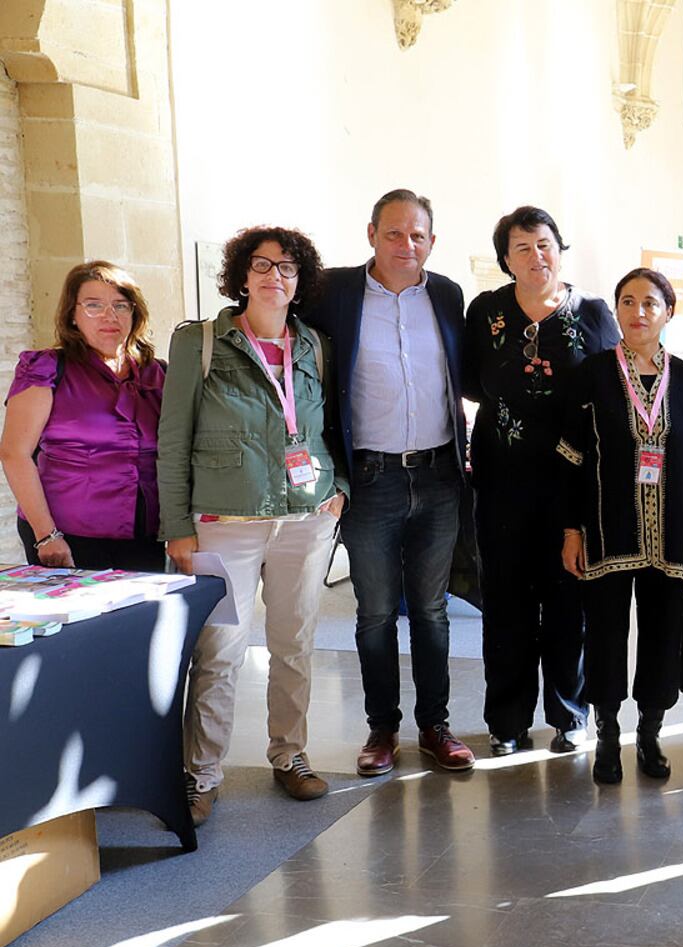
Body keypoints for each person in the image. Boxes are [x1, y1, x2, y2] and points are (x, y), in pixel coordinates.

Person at [158, 227, 348, 825]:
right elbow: (173, 439)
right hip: (224, 522)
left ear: (300, 282)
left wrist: (336, 488)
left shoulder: (314, 345)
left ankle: (289, 755)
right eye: (262, 266)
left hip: (306, 519)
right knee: (219, 651)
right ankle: (201, 774)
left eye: (287, 268)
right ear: (241, 276)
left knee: (294, 645)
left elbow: (327, 425)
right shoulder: (202, 342)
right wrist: (177, 525)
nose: (274, 277)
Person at [299, 190, 474, 777]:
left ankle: (435, 726)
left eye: (417, 235)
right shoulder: (334, 293)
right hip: (371, 478)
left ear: (432, 241)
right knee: (374, 612)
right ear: (371, 233)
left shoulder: (448, 295)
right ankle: (381, 730)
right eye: (394, 233)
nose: (406, 245)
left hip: (439, 475)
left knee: (431, 610)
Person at [465, 206, 620, 757]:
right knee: (504, 603)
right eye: (522, 247)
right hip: (501, 481)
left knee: (567, 602)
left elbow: (614, 392)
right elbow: (468, 380)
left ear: (561, 248)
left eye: (544, 244)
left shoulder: (596, 314)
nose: (535, 256)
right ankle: (506, 720)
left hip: (571, 485)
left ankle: (570, 714)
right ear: (505, 257)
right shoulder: (484, 313)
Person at [559, 268, 683, 784]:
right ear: (617, 311)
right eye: (627, 301)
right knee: (604, 635)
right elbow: (571, 459)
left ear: (669, 312)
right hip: (607, 531)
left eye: (650, 303)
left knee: (662, 635)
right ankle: (607, 736)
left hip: (673, 535)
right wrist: (572, 528)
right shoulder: (594, 374)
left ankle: (649, 735)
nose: (638, 312)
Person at [2, 261, 165, 571]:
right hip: (66, 536)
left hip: (145, 537)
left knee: (142, 618)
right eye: (93, 305)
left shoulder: (158, 374)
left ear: (135, 313)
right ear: (72, 315)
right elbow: (14, 454)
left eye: (121, 305)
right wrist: (45, 534)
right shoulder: (46, 367)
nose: (109, 315)